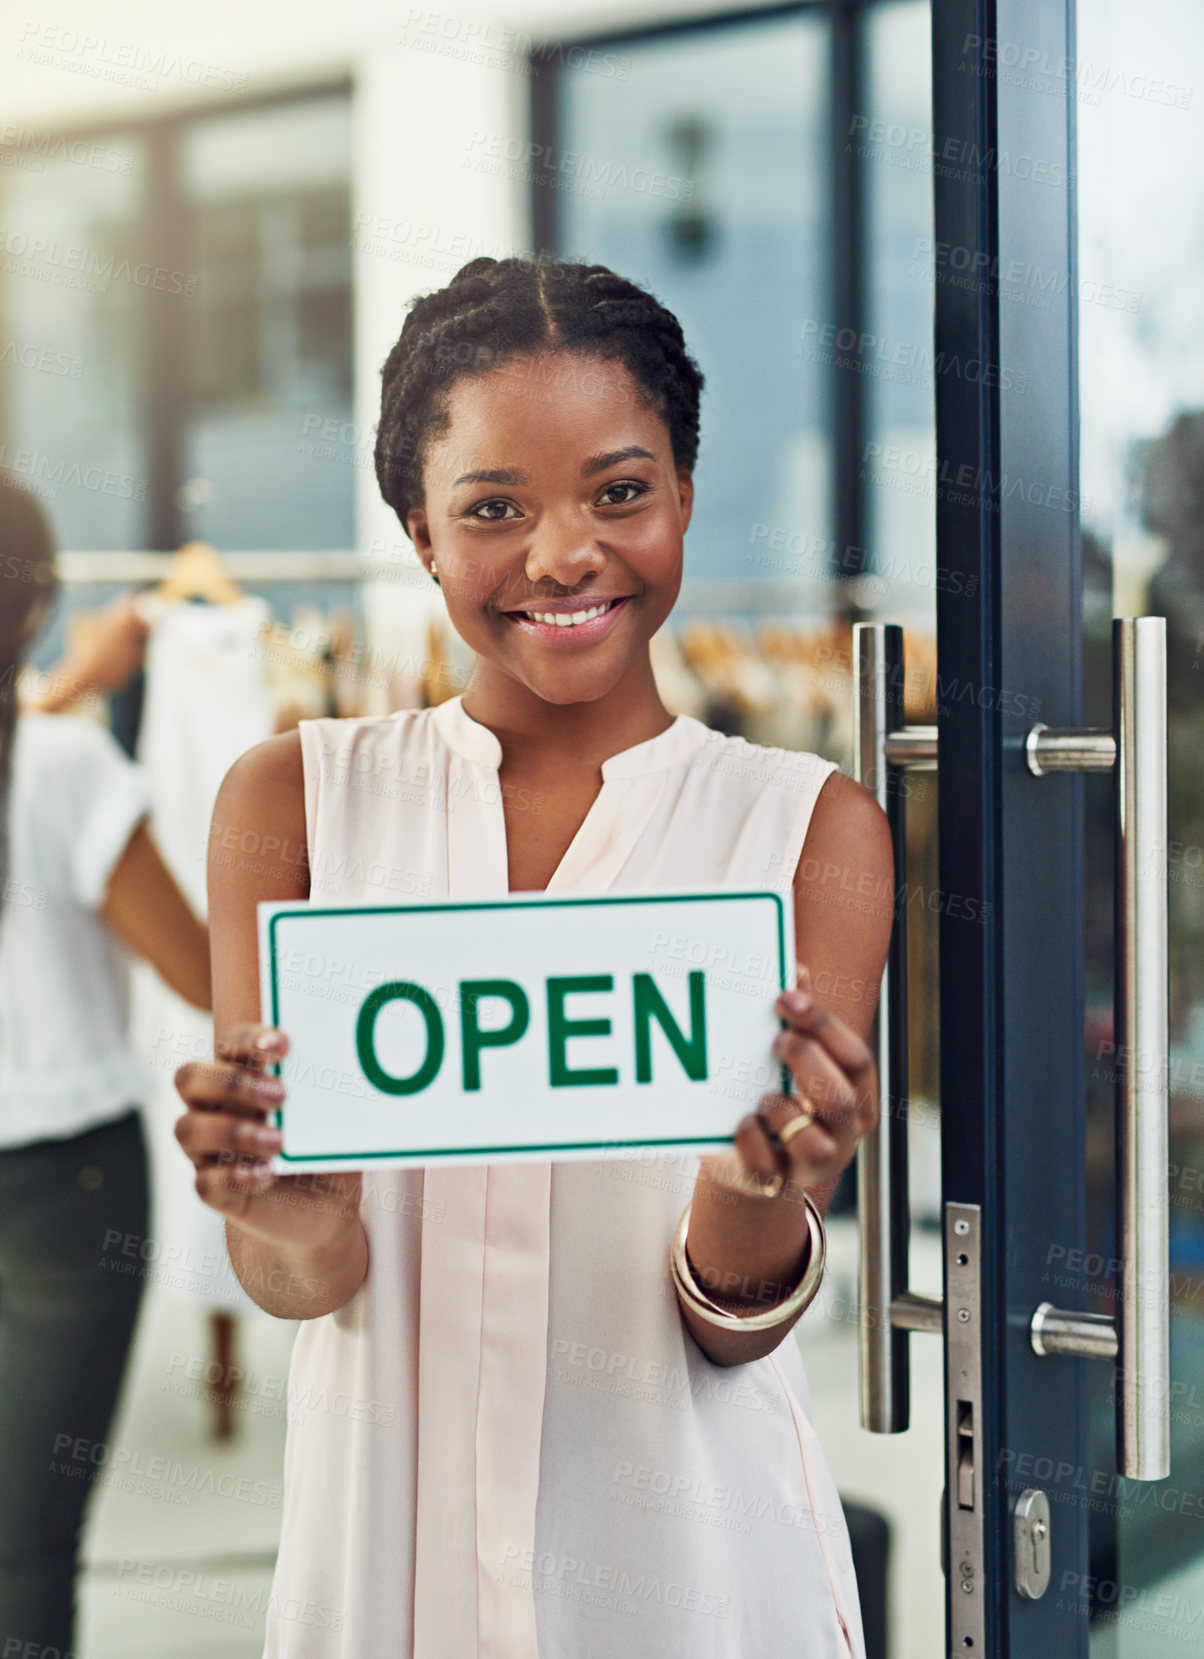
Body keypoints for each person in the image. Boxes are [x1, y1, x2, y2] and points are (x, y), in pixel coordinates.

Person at [173, 256, 894, 1657]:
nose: (564, 553)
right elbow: (302, 1280)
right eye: (494, 508)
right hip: (387, 1560)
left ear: (683, 490)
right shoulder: (290, 803)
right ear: (420, 533)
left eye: (620, 491)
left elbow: (736, 1325)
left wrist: (755, 1192)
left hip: (689, 1571)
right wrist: (288, 1213)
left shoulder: (812, 829)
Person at [0, 470, 212, 1653]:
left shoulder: (55, 753)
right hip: (71, 1193)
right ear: (35, 612)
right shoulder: (69, 769)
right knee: (25, 1542)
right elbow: (207, 978)